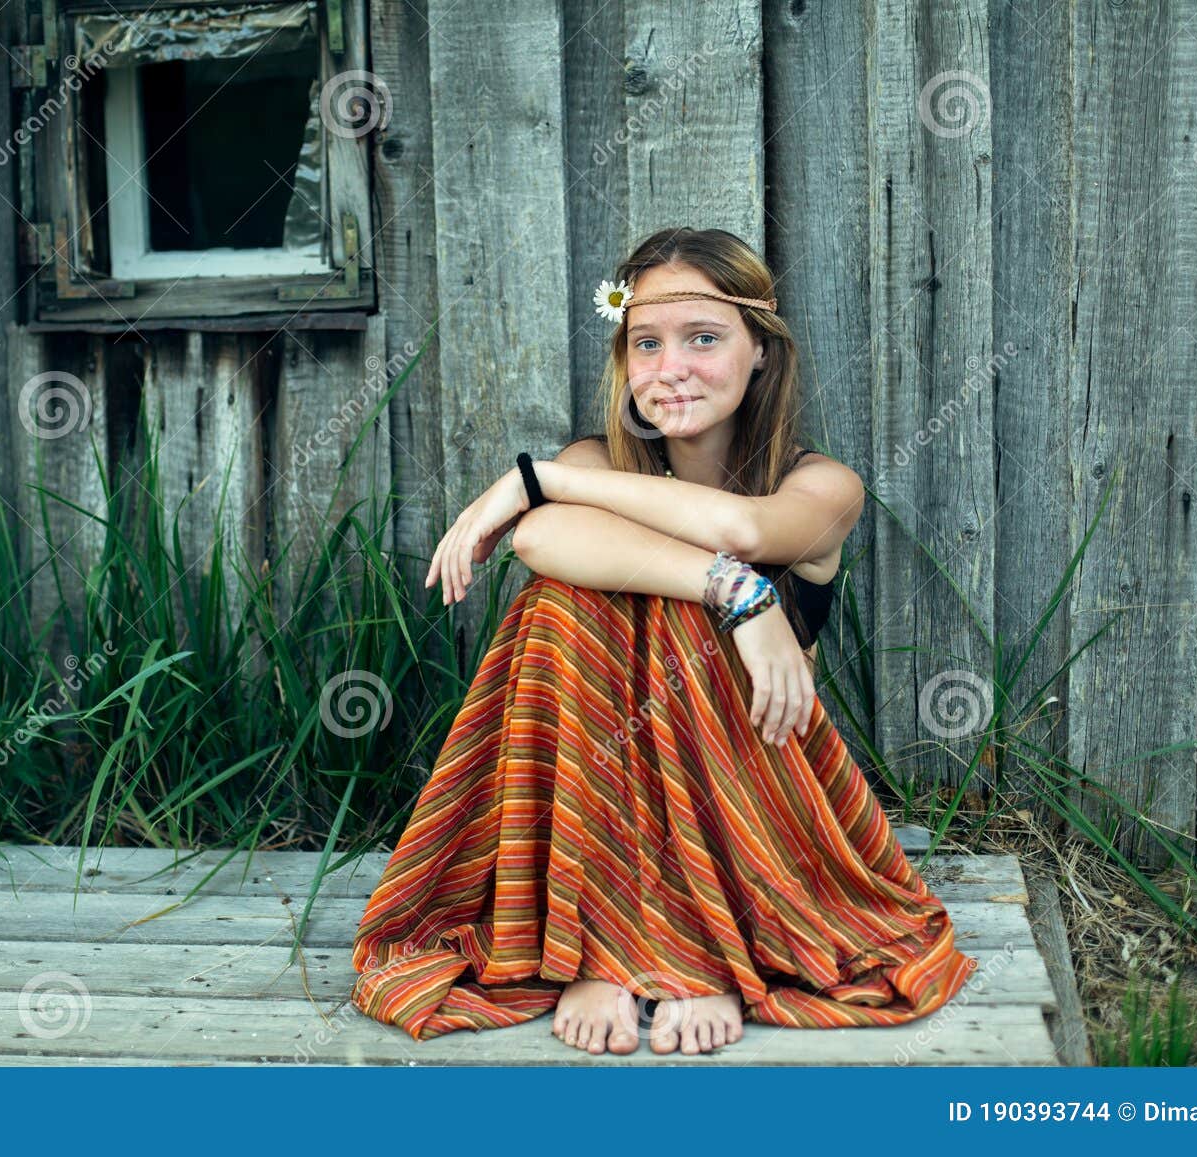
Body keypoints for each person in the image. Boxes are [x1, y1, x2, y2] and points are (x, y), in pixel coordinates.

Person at [349, 226, 978, 1057]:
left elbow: (741, 527)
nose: (669, 367)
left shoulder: (819, 485)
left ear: (761, 351)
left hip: (749, 800)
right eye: (645, 343)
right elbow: (538, 544)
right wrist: (738, 596)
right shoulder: (599, 460)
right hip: (604, 783)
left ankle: (697, 940)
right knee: (562, 606)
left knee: (678, 611)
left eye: (704, 338)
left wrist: (537, 478)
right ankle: (606, 935)